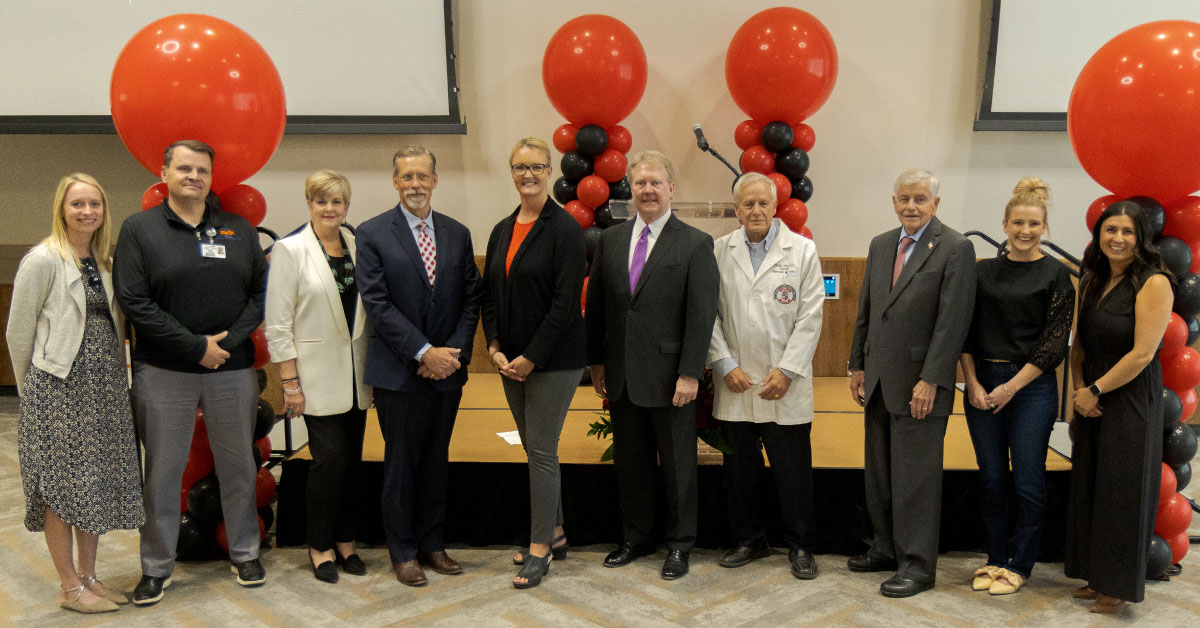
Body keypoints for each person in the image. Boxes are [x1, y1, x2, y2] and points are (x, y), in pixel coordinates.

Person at [113, 140, 268, 604]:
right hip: (163, 371)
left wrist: (227, 345)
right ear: (164, 173)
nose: (192, 176)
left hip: (232, 369)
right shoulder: (139, 230)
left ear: (210, 177)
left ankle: (245, 552)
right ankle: (156, 567)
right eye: (183, 168)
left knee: (238, 465)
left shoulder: (238, 229)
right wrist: (195, 347)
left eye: (201, 170)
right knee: (162, 471)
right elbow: (135, 301)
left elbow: (260, 295)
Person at [6, 174, 144, 614]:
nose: (87, 212)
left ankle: (89, 577)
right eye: (77, 204)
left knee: (96, 485)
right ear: (61, 210)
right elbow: (17, 333)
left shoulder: (104, 261)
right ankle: (69, 587)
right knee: (62, 490)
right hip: (58, 389)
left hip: (104, 389)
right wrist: (35, 393)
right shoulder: (42, 260)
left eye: (95, 204)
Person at [586, 150, 720, 580]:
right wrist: (596, 361)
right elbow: (600, 308)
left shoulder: (695, 243)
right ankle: (635, 537)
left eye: (655, 182)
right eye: (640, 182)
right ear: (631, 188)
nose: (647, 189)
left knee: (679, 465)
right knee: (631, 463)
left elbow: (702, 314)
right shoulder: (609, 240)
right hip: (622, 373)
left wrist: (689, 372)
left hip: (670, 378)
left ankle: (679, 544)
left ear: (671, 189)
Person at [355, 145, 482, 587]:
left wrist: (452, 353)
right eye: (406, 177)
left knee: (435, 461)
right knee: (402, 463)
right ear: (395, 182)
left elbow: (471, 300)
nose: (414, 185)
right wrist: (423, 351)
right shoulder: (372, 233)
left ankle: (432, 544)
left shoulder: (457, 233)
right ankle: (403, 550)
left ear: (434, 179)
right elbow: (376, 302)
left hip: (447, 372)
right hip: (398, 373)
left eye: (421, 177)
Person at [847, 169, 976, 598]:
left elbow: (952, 323)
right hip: (879, 379)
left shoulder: (956, 248)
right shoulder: (882, 244)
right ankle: (885, 549)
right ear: (894, 201)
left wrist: (933, 380)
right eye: (904, 198)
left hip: (921, 386)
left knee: (915, 482)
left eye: (921, 199)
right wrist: (857, 364)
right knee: (880, 476)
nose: (911, 206)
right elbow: (868, 307)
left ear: (936, 203)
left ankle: (918, 566)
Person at [958, 178, 1074, 596]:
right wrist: (970, 383)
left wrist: (1011, 388)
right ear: (1004, 224)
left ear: (1045, 227)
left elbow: (1053, 344)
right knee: (990, 478)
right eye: (1018, 223)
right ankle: (993, 559)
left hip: (1032, 389)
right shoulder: (982, 272)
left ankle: (1020, 564)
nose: (1025, 231)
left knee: (1027, 480)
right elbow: (965, 333)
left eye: (1034, 224)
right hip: (980, 385)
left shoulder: (1056, 275)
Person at [481, 138, 587, 589]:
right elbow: (491, 293)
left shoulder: (564, 228)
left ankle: (540, 548)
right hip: (510, 360)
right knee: (535, 450)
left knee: (541, 452)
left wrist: (531, 357)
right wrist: (495, 346)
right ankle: (557, 532)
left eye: (536, 167)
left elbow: (565, 304)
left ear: (549, 172)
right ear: (511, 173)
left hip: (554, 361)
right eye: (519, 167)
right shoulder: (503, 228)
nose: (528, 175)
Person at [707, 173, 824, 580]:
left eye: (762, 204)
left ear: (775, 207)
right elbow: (709, 317)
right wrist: (724, 364)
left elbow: (810, 317)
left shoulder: (804, 251)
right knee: (739, 472)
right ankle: (748, 539)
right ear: (736, 209)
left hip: (784, 384)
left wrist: (788, 371)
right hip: (735, 381)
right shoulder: (720, 251)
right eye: (747, 204)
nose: (755, 211)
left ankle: (801, 545)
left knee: (793, 471)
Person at [1065, 202, 1172, 614]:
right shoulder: (1092, 278)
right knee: (1093, 486)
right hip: (1091, 395)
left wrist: (1094, 389)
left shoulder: (1154, 282)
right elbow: (1080, 343)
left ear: (1141, 238)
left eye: (1127, 231)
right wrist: (1079, 392)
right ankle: (1095, 576)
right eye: (1110, 229)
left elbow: (1143, 353)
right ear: (1099, 235)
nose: (1118, 238)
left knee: (1123, 491)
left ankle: (1119, 586)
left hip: (1129, 396)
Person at [264, 170, 371, 584]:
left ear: (347, 206)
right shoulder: (289, 250)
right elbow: (278, 323)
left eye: (338, 202)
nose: (330, 209)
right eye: (321, 201)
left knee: (353, 463)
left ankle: (347, 541)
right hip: (313, 377)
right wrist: (289, 383)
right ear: (309, 203)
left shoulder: (360, 247)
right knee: (328, 462)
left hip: (357, 377)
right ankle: (319, 545)